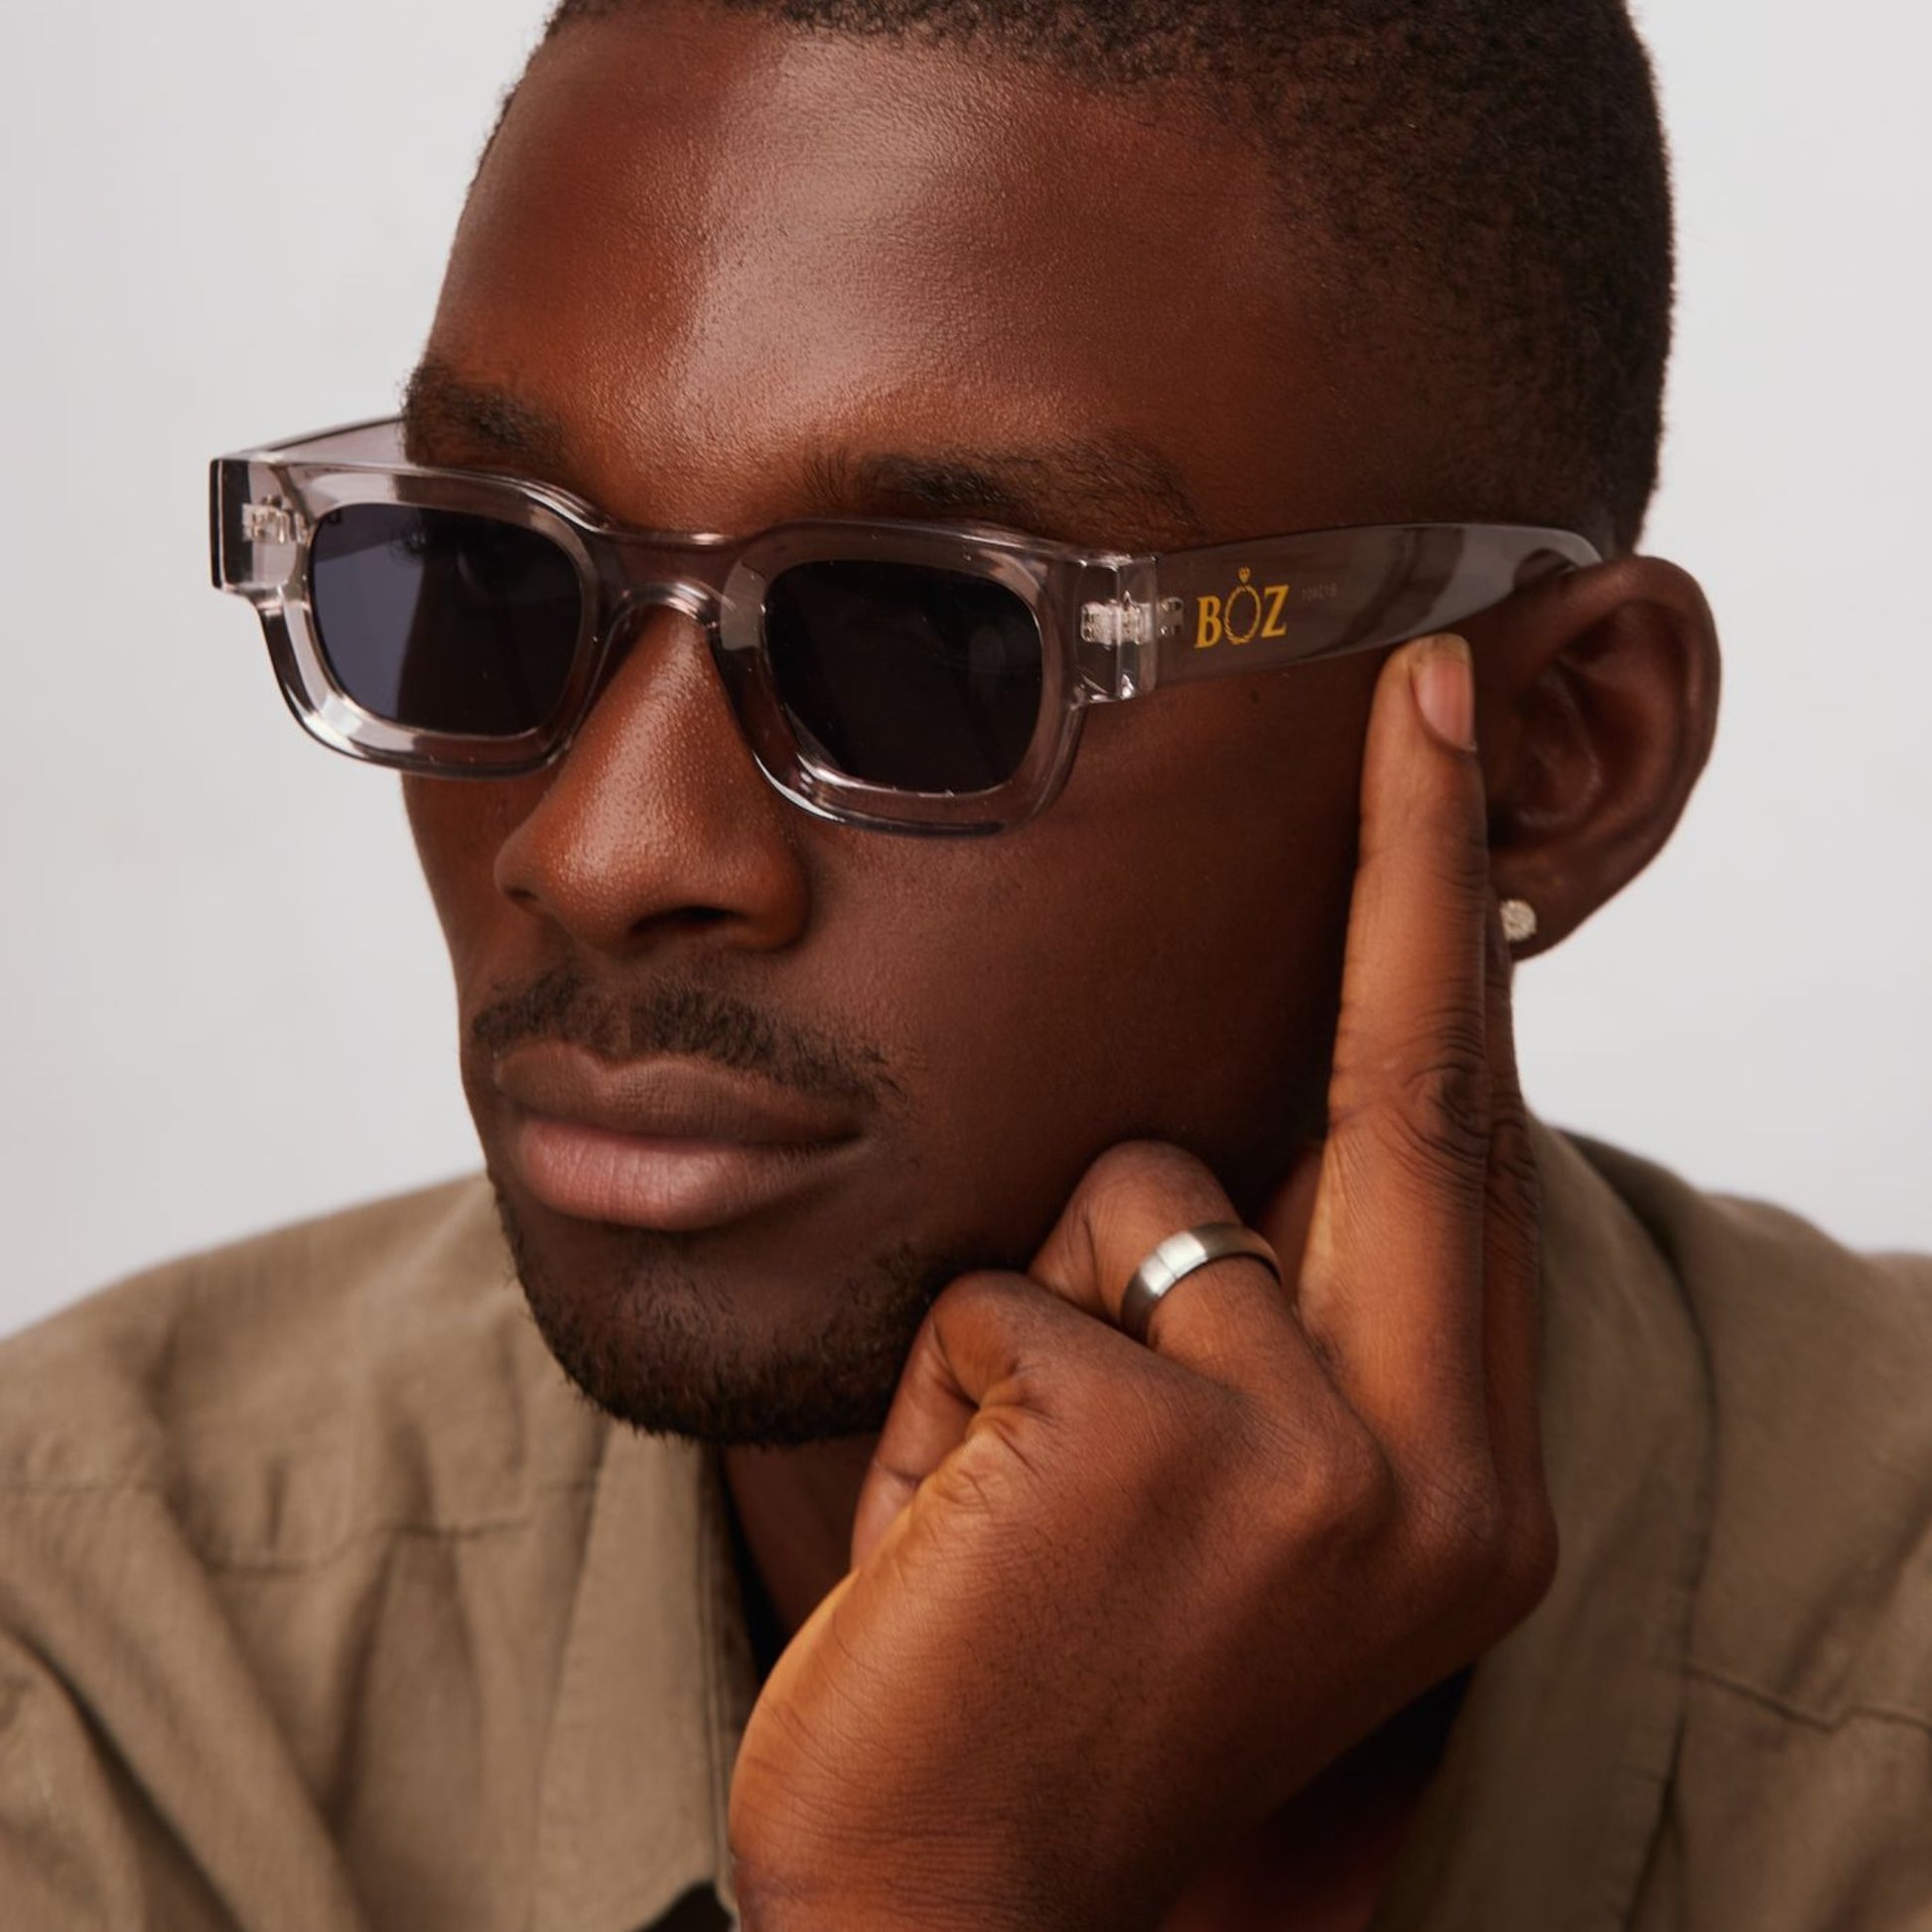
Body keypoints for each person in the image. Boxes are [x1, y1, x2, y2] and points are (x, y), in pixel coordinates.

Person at [4, 1, 1929, 1927]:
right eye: (490, 584)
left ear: (1555, 753)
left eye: (925, 640)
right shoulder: (105, 1659)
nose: (595, 852)